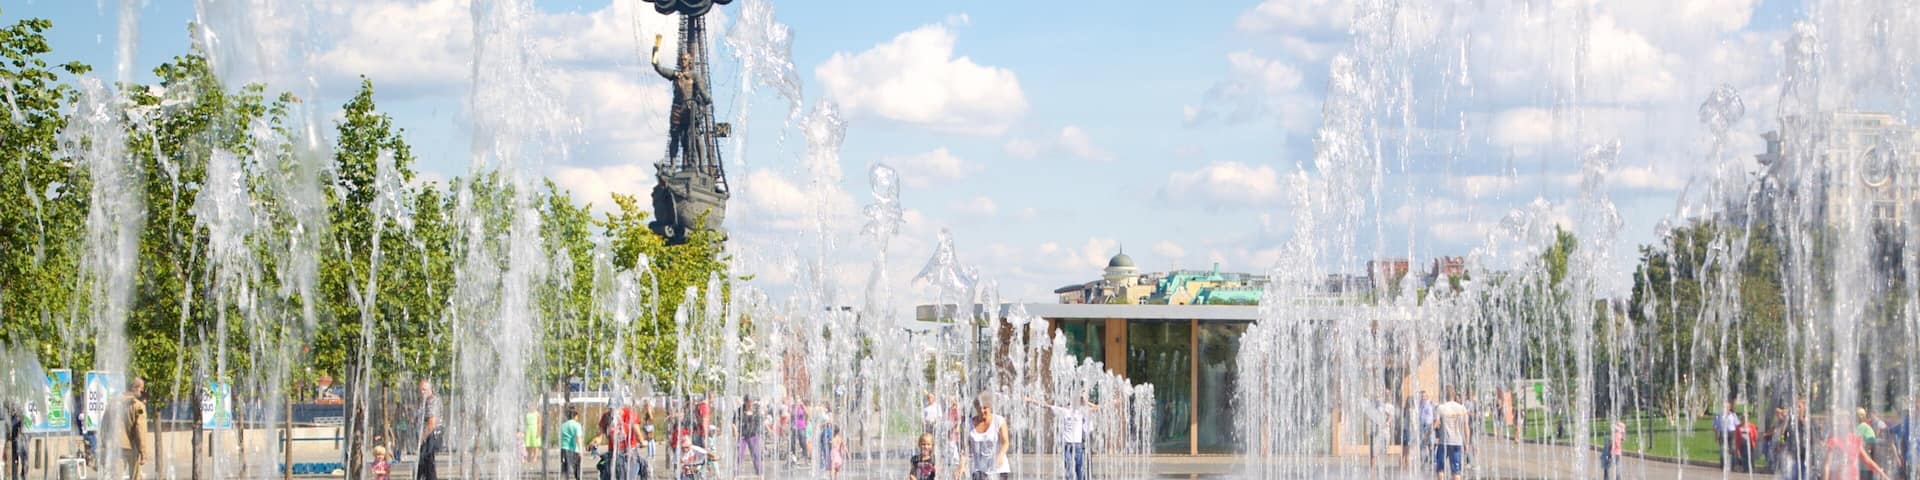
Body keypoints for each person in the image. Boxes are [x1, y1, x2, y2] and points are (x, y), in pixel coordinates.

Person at [1025, 392, 1096, 480]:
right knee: (1068, 469)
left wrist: (1085, 401)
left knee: (1079, 469)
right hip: (1067, 445)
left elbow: (1096, 408)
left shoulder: (1081, 412)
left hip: (1078, 445)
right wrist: (1031, 400)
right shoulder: (1064, 411)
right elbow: (1046, 405)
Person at [967, 397, 1011, 480]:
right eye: (979, 408)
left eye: (984, 408)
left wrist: (1000, 455)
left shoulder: (999, 421)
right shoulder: (969, 424)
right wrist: (961, 465)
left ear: (990, 407)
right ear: (976, 408)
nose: (982, 411)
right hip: (978, 468)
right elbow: (965, 447)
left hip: (999, 468)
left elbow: (1006, 443)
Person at [1433, 388, 1470, 480]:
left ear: (1445, 395)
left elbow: (1436, 424)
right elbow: (1466, 427)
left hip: (1443, 442)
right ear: (1454, 395)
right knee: (1456, 470)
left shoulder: (1440, 407)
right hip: (1457, 442)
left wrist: (1431, 431)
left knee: (1440, 469)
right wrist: (1467, 443)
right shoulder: (1462, 408)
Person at [117, 376, 149, 480]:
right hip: (132, 446)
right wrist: (143, 452)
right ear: (138, 388)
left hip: (115, 446)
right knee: (136, 476)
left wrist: (104, 444)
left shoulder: (113, 403)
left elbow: (104, 425)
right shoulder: (138, 406)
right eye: (142, 388)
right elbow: (141, 429)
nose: (143, 390)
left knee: (115, 476)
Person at [414, 379, 442, 480]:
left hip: (430, 437)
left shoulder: (432, 401)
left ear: (430, 390)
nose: (421, 392)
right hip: (427, 438)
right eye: (420, 390)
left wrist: (422, 438)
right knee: (425, 466)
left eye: (424, 390)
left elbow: (431, 423)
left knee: (426, 465)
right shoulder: (424, 402)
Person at [735, 397, 763, 476]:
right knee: (738, 455)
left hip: (753, 435)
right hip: (742, 435)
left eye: (752, 402)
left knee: (756, 455)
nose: (750, 404)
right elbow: (733, 421)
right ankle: (735, 475)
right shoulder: (740, 410)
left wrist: (759, 432)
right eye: (749, 402)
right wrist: (735, 430)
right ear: (745, 402)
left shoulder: (756, 410)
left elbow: (760, 421)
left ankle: (760, 475)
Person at [560, 408, 584, 480]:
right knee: (577, 469)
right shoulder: (577, 425)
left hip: (564, 449)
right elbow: (578, 438)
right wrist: (580, 450)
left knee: (565, 469)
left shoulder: (563, 425)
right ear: (575, 416)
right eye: (577, 416)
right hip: (574, 450)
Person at [1714, 401, 1740, 467]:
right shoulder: (1719, 416)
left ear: (1729, 407)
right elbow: (1716, 426)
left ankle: (1733, 465)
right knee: (1722, 450)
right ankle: (1722, 465)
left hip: (1732, 433)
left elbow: (1737, 425)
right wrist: (1716, 436)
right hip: (1723, 434)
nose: (1725, 408)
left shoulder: (1733, 415)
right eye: (1724, 407)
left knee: (1733, 450)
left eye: (1726, 407)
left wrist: (1738, 435)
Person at [6, 400, 26, 480]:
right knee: (14, 459)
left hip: (18, 441)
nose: (13, 408)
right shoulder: (10, 418)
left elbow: (21, 428)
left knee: (22, 459)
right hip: (12, 442)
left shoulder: (18, 418)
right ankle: (15, 477)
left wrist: (20, 434)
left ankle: (22, 475)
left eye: (14, 406)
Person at [788, 400, 809, 464]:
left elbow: (807, 414)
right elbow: (791, 416)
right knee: (792, 442)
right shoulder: (793, 407)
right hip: (794, 427)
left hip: (801, 427)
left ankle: (805, 457)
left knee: (802, 442)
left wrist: (806, 422)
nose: (797, 401)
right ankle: (794, 456)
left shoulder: (802, 407)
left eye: (798, 400)